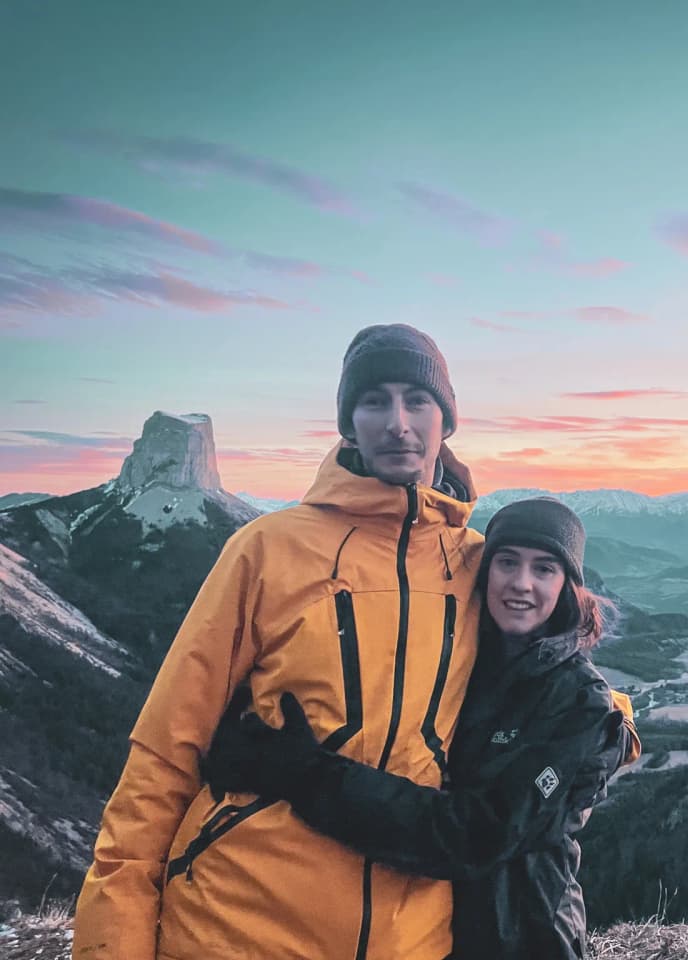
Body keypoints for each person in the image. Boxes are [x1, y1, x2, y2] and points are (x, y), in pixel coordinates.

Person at [72, 323, 601, 960]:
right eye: (374, 400)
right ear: (348, 420)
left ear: (446, 421)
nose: (397, 422)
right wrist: (114, 938)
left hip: (413, 939)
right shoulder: (269, 550)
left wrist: (610, 723)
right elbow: (165, 749)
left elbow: (544, 661)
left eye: (418, 400)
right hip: (240, 926)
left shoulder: (474, 565)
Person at [202, 496, 637, 959]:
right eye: (506, 562)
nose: (521, 584)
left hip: (522, 937)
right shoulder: (459, 665)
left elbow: (477, 833)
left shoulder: (579, 703)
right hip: (426, 933)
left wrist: (306, 775)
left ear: (569, 587)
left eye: (544, 568)